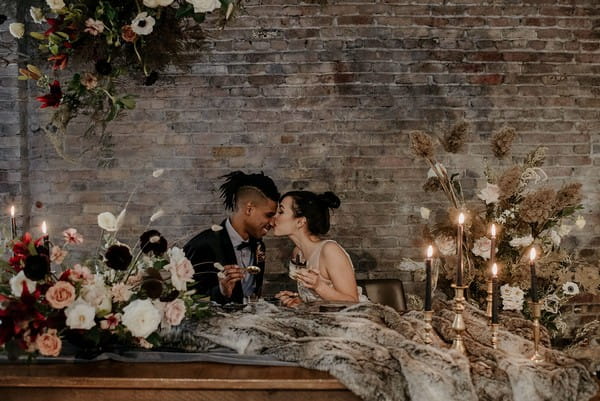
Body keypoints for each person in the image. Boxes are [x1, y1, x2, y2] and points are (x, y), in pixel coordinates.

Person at [184, 171, 279, 304]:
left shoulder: (259, 245)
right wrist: (222, 291)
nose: (273, 223)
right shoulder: (201, 246)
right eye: (269, 215)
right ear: (249, 209)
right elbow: (188, 301)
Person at [273, 190, 361, 307]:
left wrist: (319, 286)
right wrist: (298, 299)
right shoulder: (297, 253)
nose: (274, 217)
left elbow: (353, 301)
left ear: (300, 221)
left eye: (281, 212)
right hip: (322, 319)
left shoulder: (330, 250)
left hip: (352, 320)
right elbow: (317, 298)